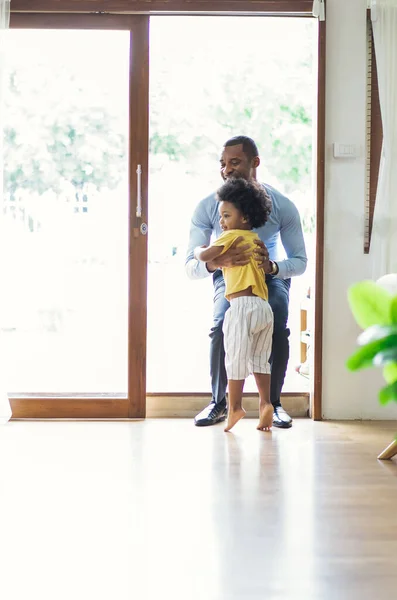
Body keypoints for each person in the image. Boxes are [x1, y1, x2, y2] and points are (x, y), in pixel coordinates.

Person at [185, 135, 307, 428]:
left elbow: (300, 262)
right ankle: (220, 403)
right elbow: (191, 265)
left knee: (276, 317)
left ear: (255, 163)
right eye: (223, 164)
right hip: (228, 276)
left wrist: (272, 266)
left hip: (270, 276)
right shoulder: (208, 207)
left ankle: (273, 404)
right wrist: (218, 262)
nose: (226, 169)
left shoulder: (283, 206)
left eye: (234, 162)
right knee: (221, 322)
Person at [194, 178, 274, 432]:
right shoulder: (255, 239)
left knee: (236, 359)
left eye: (226, 215)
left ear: (245, 217)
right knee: (261, 360)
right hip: (264, 308)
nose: (222, 222)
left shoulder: (230, 237)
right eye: (221, 217)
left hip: (241, 308)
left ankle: (236, 406)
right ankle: (265, 404)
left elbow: (206, 256)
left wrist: (198, 250)